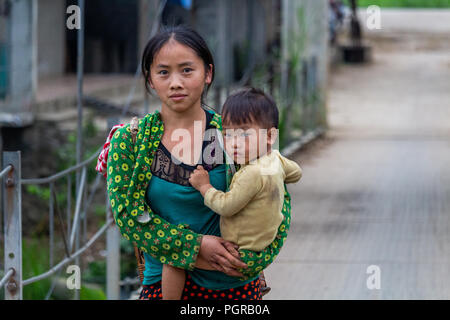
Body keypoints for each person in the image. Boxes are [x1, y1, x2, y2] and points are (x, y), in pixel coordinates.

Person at [101, 25, 294, 300]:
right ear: (150, 79)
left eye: (187, 70)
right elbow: (129, 216)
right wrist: (196, 247)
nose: (175, 82)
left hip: (232, 287)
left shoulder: (236, 137)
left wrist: (251, 262)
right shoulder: (130, 141)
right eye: (163, 72)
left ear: (208, 73)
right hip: (162, 290)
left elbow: (278, 205)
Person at [160, 87, 303, 300]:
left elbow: (226, 206)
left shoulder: (252, 174)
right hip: (262, 248)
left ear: (270, 136)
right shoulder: (275, 159)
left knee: (175, 259)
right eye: (227, 134)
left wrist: (204, 186)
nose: (234, 143)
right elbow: (297, 173)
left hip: (240, 254)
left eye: (244, 134)